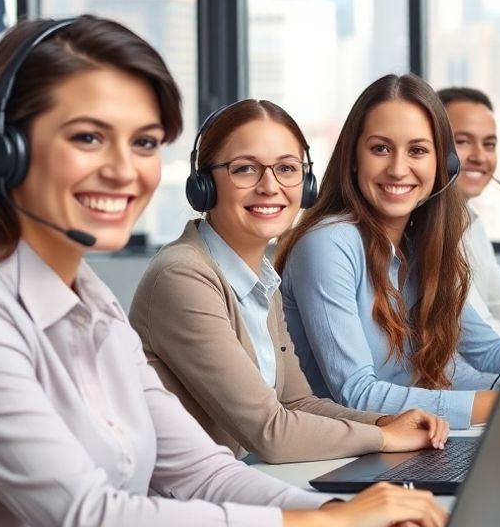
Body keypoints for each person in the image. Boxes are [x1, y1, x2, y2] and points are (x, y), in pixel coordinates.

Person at [0, 16, 444, 527]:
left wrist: (350, 513)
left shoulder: (94, 303)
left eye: (145, 142)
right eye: (88, 138)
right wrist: (330, 523)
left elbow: (202, 471)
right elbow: (86, 514)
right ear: (6, 151)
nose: (123, 169)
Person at [276, 74, 500, 430]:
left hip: (410, 442)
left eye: (417, 150)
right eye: (380, 148)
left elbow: (487, 349)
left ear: (444, 165)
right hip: (343, 454)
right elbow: (357, 394)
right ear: (353, 158)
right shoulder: (327, 244)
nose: (398, 168)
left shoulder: (420, 243)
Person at [132, 98, 449, 464]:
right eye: (245, 169)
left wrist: (389, 420)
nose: (270, 186)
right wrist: (383, 436)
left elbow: (298, 403)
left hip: (230, 487)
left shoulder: (262, 281)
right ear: (204, 185)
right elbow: (271, 433)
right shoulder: (183, 277)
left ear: (307, 182)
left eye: (286, 168)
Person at [438, 86, 500, 340]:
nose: (480, 156)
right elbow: (484, 338)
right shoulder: (428, 232)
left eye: (489, 144)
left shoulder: (469, 221)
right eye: (462, 142)